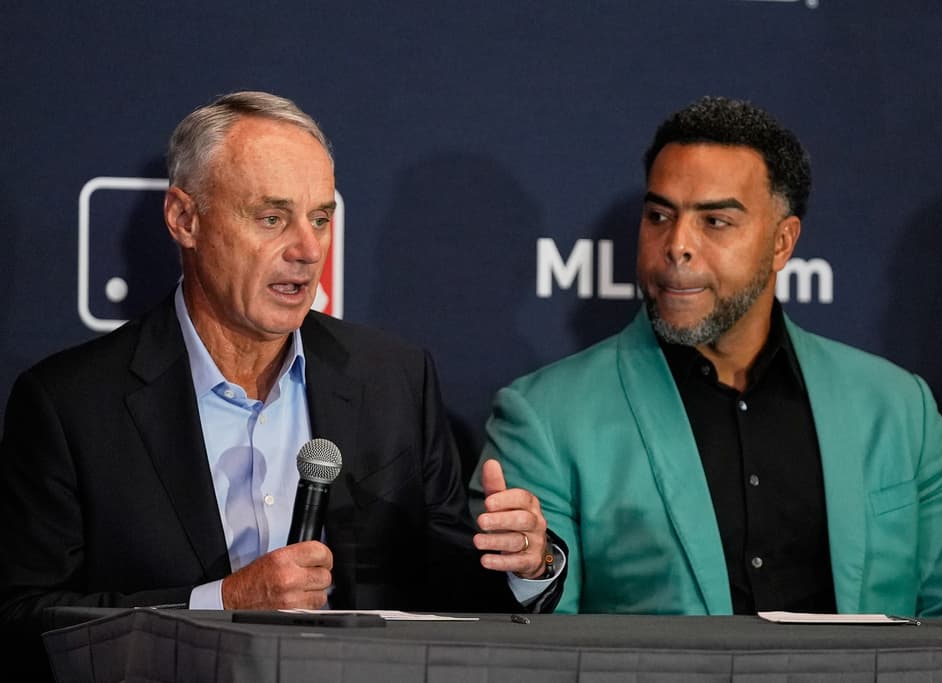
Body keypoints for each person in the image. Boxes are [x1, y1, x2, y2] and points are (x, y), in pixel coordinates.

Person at [0, 91, 564, 680]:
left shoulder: (393, 378)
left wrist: (523, 564)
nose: (307, 249)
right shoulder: (71, 403)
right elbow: (22, 620)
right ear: (184, 219)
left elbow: (445, 591)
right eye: (272, 218)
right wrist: (222, 604)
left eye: (320, 218)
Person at [472, 95, 942, 617]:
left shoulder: (900, 408)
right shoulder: (544, 416)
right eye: (659, 215)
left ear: (782, 242)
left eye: (715, 222)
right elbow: (540, 645)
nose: (677, 245)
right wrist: (538, 568)